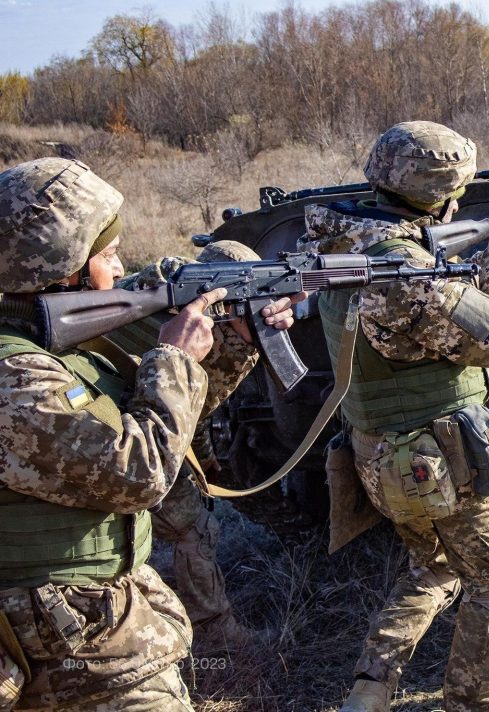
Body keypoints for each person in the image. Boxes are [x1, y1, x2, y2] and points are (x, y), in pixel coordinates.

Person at [0, 157, 299, 711]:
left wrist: (236, 339)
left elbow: (169, 423)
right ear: (67, 268)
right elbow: (139, 474)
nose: (118, 270)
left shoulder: (54, 346)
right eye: (108, 255)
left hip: (91, 627)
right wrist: (174, 356)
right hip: (63, 646)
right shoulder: (17, 376)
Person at [304, 121, 489, 712]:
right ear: (447, 194)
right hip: (436, 459)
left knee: (433, 569)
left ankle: (368, 692)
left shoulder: (344, 239)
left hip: (378, 452)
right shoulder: (403, 270)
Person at [111, 241, 271, 653]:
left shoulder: (143, 295)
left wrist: (205, 457)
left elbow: (186, 412)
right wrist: (242, 344)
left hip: (127, 433)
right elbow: (187, 408)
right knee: (192, 529)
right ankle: (216, 633)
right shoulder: (186, 327)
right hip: (131, 441)